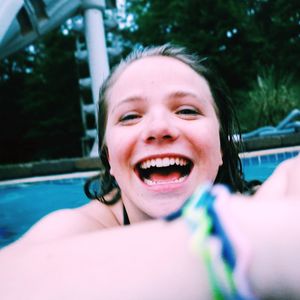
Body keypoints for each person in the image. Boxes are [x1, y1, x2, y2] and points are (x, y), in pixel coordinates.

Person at [0, 44, 299, 299]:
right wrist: (240, 239)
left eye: (187, 110)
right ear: (109, 158)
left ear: (220, 146)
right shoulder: (73, 229)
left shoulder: (270, 195)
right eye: (130, 116)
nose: (158, 129)